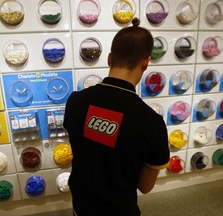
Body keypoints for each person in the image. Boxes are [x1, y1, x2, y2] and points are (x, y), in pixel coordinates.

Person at [63, 17, 170, 216]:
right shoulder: (152, 122)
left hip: (81, 206)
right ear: (146, 63)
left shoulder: (76, 101)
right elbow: (145, 187)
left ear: (110, 58)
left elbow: (81, 144)